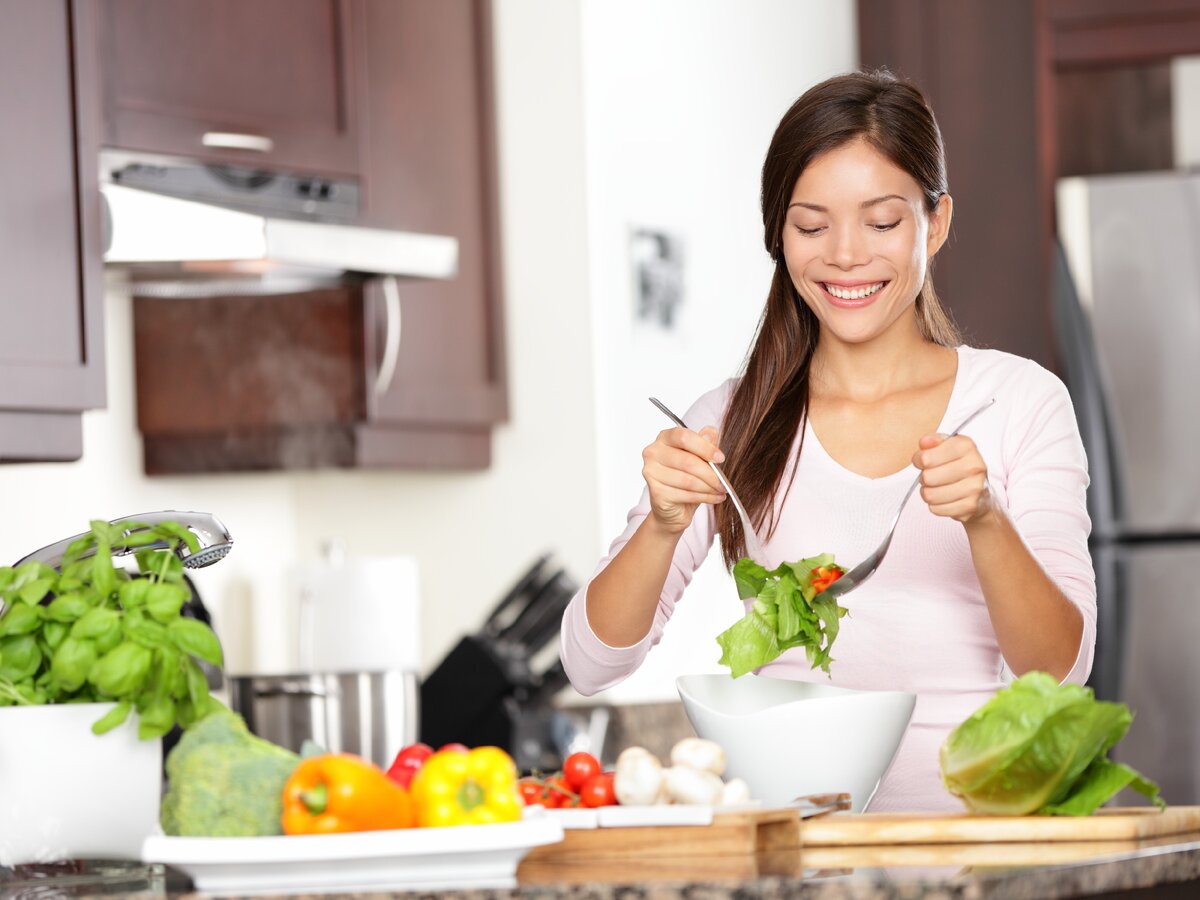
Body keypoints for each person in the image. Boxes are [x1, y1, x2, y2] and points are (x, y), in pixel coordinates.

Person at [559, 69, 1097, 812]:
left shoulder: (1017, 401)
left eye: (882, 223)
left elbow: (1061, 671)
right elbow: (589, 665)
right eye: (812, 227)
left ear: (936, 222)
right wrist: (661, 524)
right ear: (778, 235)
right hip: (798, 850)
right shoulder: (732, 420)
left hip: (974, 842)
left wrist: (985, 519)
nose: (845, 255)